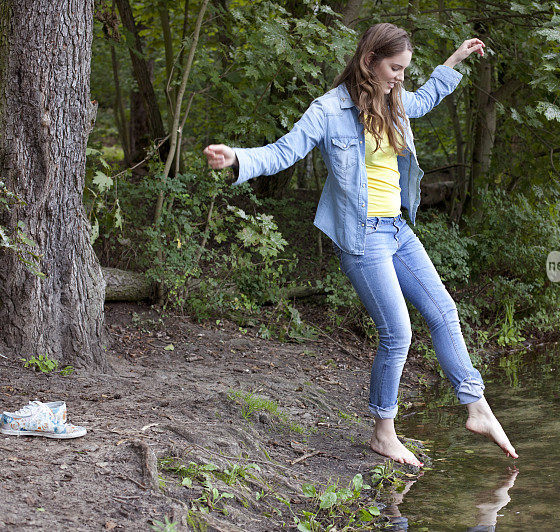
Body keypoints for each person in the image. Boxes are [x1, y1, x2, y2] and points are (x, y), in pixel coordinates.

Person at [204, 23, 517, 466]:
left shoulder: (394, 104)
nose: (401, 78)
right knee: (398, 332)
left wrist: (454, 61)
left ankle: (477, 407)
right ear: (369, 61)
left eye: (406, 70)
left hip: (397, 230)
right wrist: (239, 157)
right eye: (395, 68)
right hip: (362, 236)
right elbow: (283, 151)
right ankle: (383, 432)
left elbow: (424, 98)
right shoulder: (329, 110)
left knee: (444, 311)